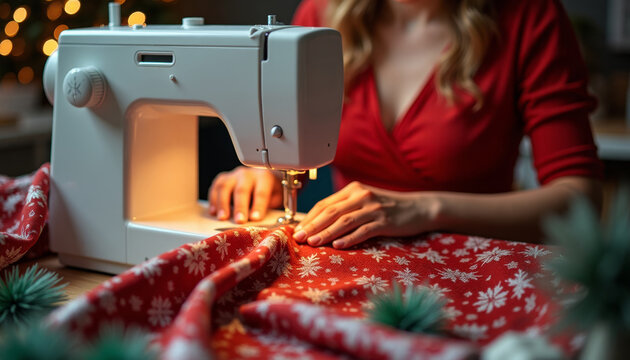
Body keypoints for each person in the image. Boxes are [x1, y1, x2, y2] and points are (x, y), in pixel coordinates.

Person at [208, 0, 603, 248]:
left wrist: (425, 209)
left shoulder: (530, 17)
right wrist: (265, 174)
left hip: (477, 276)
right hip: (355, 263)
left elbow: (579, 200)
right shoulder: (320, 16)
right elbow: (295, 143)